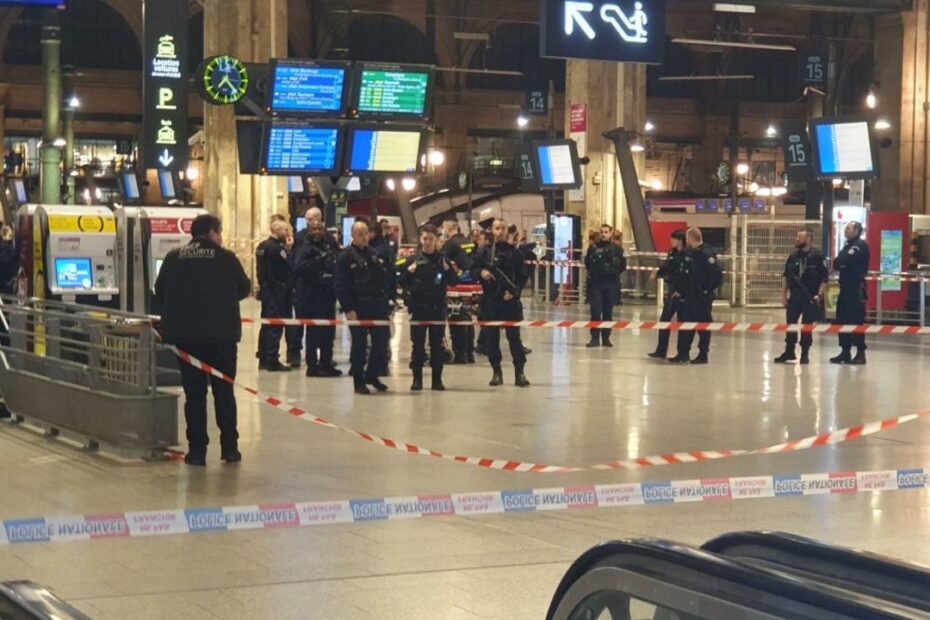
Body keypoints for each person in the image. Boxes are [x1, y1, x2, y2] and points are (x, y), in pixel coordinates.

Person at [153, 214, 250, 466]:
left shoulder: (174, 258)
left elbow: (159, 290)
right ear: (211, 233)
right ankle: (230, 448)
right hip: (222, 338)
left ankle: (197, 451)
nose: (221, 237)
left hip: (186, 339)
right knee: (224, 392)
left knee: (194, 395)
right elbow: (244, 288)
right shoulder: (226, 258)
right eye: (220, 232)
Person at [335, 220, 392, 394]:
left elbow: (382, 279)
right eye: (360, 234)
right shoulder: (345, 256)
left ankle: (372, 374)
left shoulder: (373, 254)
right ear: (352, 235)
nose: (364, 237)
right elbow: (340, 285)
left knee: (381, 342)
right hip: (357, 307)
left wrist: (388, 301)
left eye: (366, 233)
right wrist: (348, 309)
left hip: (376, 306)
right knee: (359, 345)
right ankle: (358, 380)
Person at [471, 219, 530, 387]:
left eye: (503, 228)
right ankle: (496, 372)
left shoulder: (515, 253)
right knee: (492, 339)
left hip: (509, 302)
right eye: (497, 228)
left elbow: (523, 276)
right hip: (491, 301)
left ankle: (520, 372)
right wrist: (481, 273)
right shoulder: (484, 252)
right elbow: (472, 269)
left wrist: (514, 292)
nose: (500, 231)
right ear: (492, 230)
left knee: (514, 339)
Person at [400, 224, 459, 391]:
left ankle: (437, 380)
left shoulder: (442, 259)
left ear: (436, 240)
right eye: (424, 239)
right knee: (417, 346)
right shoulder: (413, 259)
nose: (427, 242)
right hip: (418, 308)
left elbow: (455, 282)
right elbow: (401, 282)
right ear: (421, 239)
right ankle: (417, 379)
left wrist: (447, 270)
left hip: (437, 308)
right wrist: (409, 272)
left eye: (430, 239)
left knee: (437, 346)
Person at [293, 219, 342, 377]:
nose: (317, 232)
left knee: (328, 333)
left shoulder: (329, 245)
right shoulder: (304, 247)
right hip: (311, 295)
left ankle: (326, 363)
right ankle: (312, 366)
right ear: (309, 230)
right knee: (313, 333)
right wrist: (317, 261)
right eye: (314, 229)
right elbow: (299, 268)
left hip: (327, 295)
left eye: (320, 229)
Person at [668, 227, 722, 365]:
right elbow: (687, 276)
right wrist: (681, 291)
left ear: (691, 238)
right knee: (687, 326)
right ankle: (683, 353)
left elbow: (717, 276)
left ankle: (703, 354)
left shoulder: (706, 254)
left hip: (702, 297)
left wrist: (706, 291)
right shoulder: (691, 254)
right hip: (690, 296)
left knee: (703, 326)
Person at [774, 228, 828, 365]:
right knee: (791, 324)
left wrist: (819, 295)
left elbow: (824, 278)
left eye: (800, 237)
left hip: (810, 296)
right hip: (795, 296)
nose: (796, 239)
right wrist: (783, 295)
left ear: (808, 239)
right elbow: (786, 276)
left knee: (807, 326)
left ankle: (805, 354)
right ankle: (789, 351)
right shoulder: (793, 256)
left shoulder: (818, 256)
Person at [255, 219, 294, 372]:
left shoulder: (262, 246)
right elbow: (287, 266)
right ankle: (272, 358)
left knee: (265, 324)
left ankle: (263, 357)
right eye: (285, 230)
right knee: (275, 325)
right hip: (276, 291)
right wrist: (288, 250)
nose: (288, 233)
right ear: (277, 230)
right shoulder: (277, 249)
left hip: (265, 290)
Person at [831, 221, 870, 365]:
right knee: (842, 320)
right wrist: (840, 262)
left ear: (856, 231)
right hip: (845, 289)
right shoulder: (847, 245)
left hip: (855, 290)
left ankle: (860, 352)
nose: (845, 230)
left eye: (848, 228)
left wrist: (841, 262)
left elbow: (843, 260)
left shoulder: (859, 245)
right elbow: (837, 262)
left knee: (855, 321)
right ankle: (845, 351)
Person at [584, 224, 627, 348]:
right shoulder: (593, 248)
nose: (604, 234)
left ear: (610, 233)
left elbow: (622, 266)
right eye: (602, 232)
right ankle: (595, 338)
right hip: (596, 284)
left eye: (606, 232)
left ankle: (606, 338)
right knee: (596, 311)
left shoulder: (617, 249)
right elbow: (588, 264)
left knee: (608, 312)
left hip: (610, 284)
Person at [648, 229, 687, 359]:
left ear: (680, 240)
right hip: (672, 289)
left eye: (673, 239)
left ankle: (682, 353)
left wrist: (681, 290)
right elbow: (667, 267)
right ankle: (661, 350)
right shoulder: (672, 253)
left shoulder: (687, 255)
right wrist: (657, 272)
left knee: (683, 322)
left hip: (682, 291)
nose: (671, 241)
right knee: (664, 319)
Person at [441, 220, 474, 364]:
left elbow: (442, 261)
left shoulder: (450, 244)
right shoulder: (468, 241)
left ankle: (460, 354)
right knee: (467, 317)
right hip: (471, 284)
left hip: (456, 285)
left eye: (444, 228)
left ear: (449, 228)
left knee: (456, 318)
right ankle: (470, 352)